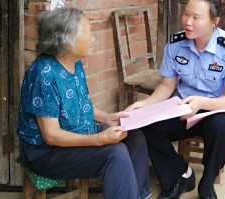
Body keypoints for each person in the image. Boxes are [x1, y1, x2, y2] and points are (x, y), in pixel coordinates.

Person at [17, 7, 151, 199]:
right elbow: (51, 136)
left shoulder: (75, 62)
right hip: (46, 153)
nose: (93, 38)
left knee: (135, 136)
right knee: (115, 153)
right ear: (66, 40)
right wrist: (98, 140)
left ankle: (137, 195)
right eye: (88, 33)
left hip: (80, 133)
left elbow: (83, 102)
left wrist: (107, 117)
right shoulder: (44, 74)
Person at [126, 0, 225, 199]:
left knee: (224, 126)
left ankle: (207, 185)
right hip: (182, 108)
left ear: (214, 21)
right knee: (145, 125)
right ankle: (180, 175)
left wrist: (200, 103)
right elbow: (166, 85)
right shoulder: (176, 43)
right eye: (186, 14)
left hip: (216, 110)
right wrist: (145, 105)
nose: (188, 22)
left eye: (196, 18)